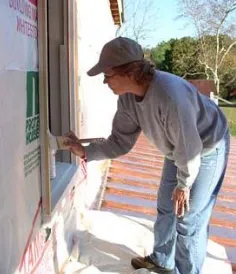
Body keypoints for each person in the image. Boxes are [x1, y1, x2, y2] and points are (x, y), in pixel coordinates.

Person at [66, 37, 230, 274]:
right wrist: (85, 151)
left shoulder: (170, 95)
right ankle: (163, 260)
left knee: (189, 219)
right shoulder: (127, 98)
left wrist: (184, 185)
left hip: (207, 147)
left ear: (129, 72)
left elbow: (190, 148)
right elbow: (119, 142)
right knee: (166, 206)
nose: (104, 81)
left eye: (108, 74)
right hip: (180, 150)